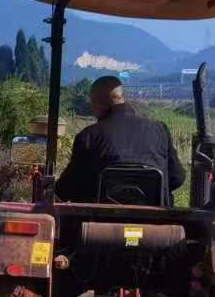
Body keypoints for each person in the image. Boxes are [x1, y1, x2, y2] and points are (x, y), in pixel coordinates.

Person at [54, 76, 185, 206]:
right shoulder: (159, 131)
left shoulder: (89, 136)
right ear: (122, 98)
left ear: (95, 103)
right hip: (155, 221)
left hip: (99, 221)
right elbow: (177, 178)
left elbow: (66, 189)